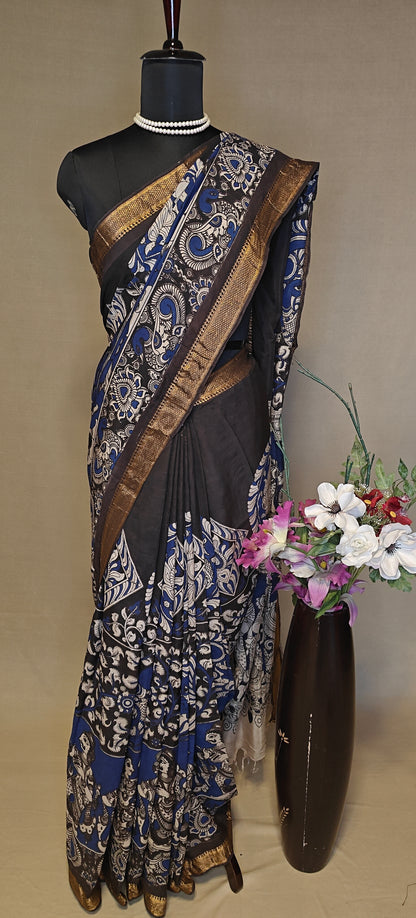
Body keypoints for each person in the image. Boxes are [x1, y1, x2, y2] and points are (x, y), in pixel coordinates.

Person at [58, 35, 318, 918]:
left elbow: (272, 322)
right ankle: (129, 832)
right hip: (134, 435)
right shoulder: (86, 169)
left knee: (210, 621)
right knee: (133, 623)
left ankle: (196, 821)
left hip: (227, 439)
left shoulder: (259, 175)